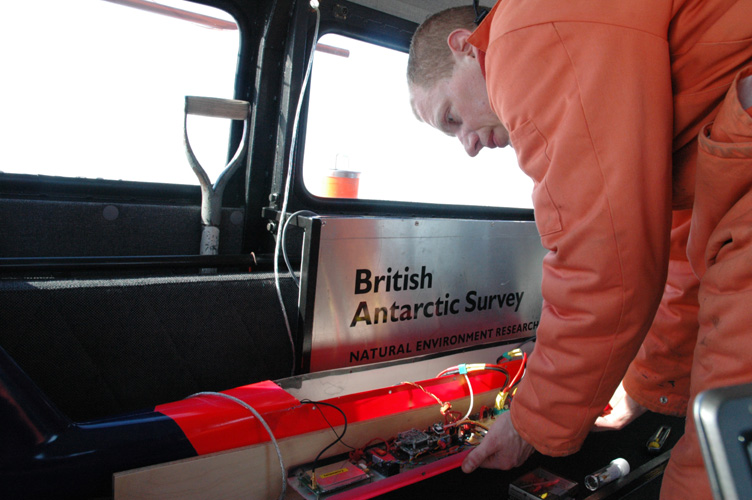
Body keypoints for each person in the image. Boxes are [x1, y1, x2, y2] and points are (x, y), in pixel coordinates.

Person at [407, 2, 752, 498]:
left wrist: (529, 423)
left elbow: (603, 261)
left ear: (466, 46)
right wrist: (646, 384)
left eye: (452, 116)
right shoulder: (654, 111)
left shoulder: (522, 33)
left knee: (715, 458)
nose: (467, 145)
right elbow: (677, 247)